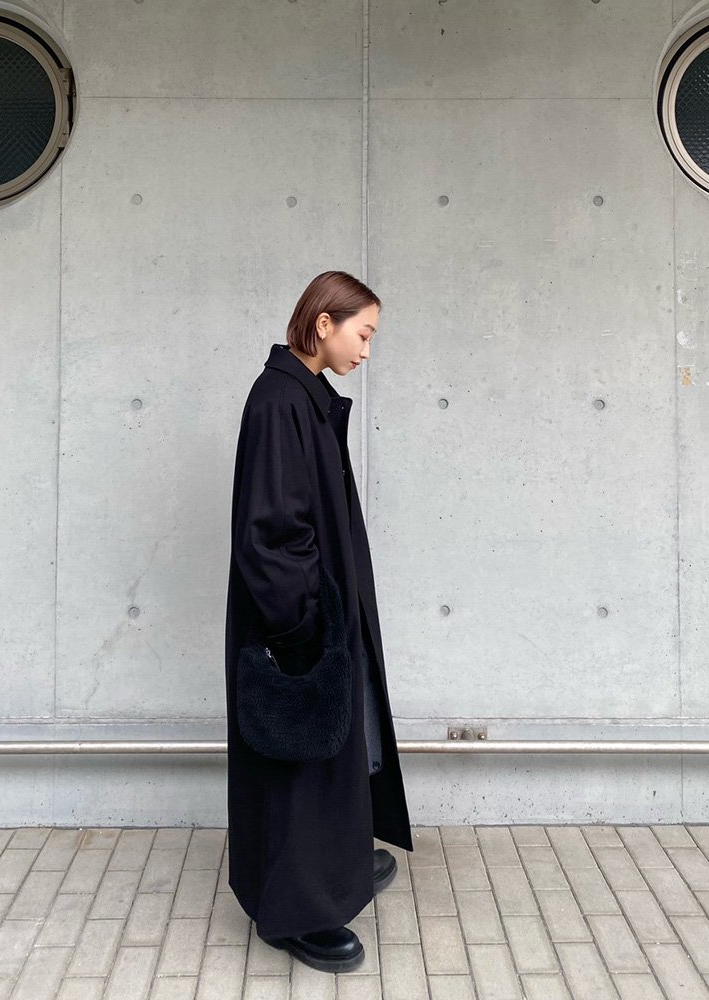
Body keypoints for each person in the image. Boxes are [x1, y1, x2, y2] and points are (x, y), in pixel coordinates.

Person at [224, 270, 413, 974]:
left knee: (329, 749)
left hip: (316, 611)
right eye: (363, 333)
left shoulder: (304, 396)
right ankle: (295, 912)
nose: (366, 350)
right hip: (295, 623)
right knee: (297, 758)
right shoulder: (280, 402)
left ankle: (336, 860)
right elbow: (271, 534)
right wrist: (300, 631)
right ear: (323, 322)